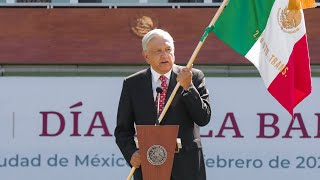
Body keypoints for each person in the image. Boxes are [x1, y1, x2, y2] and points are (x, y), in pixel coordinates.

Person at [114, 29, 211, 180]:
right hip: (149, 166)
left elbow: (203, 118)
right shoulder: (132, 84)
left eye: (168, 49)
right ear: (146, 56)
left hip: (186, 168)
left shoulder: (192, 77)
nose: (165, 55)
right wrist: (131, 153)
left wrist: (189, 87)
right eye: (158, 51)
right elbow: (122, 130)